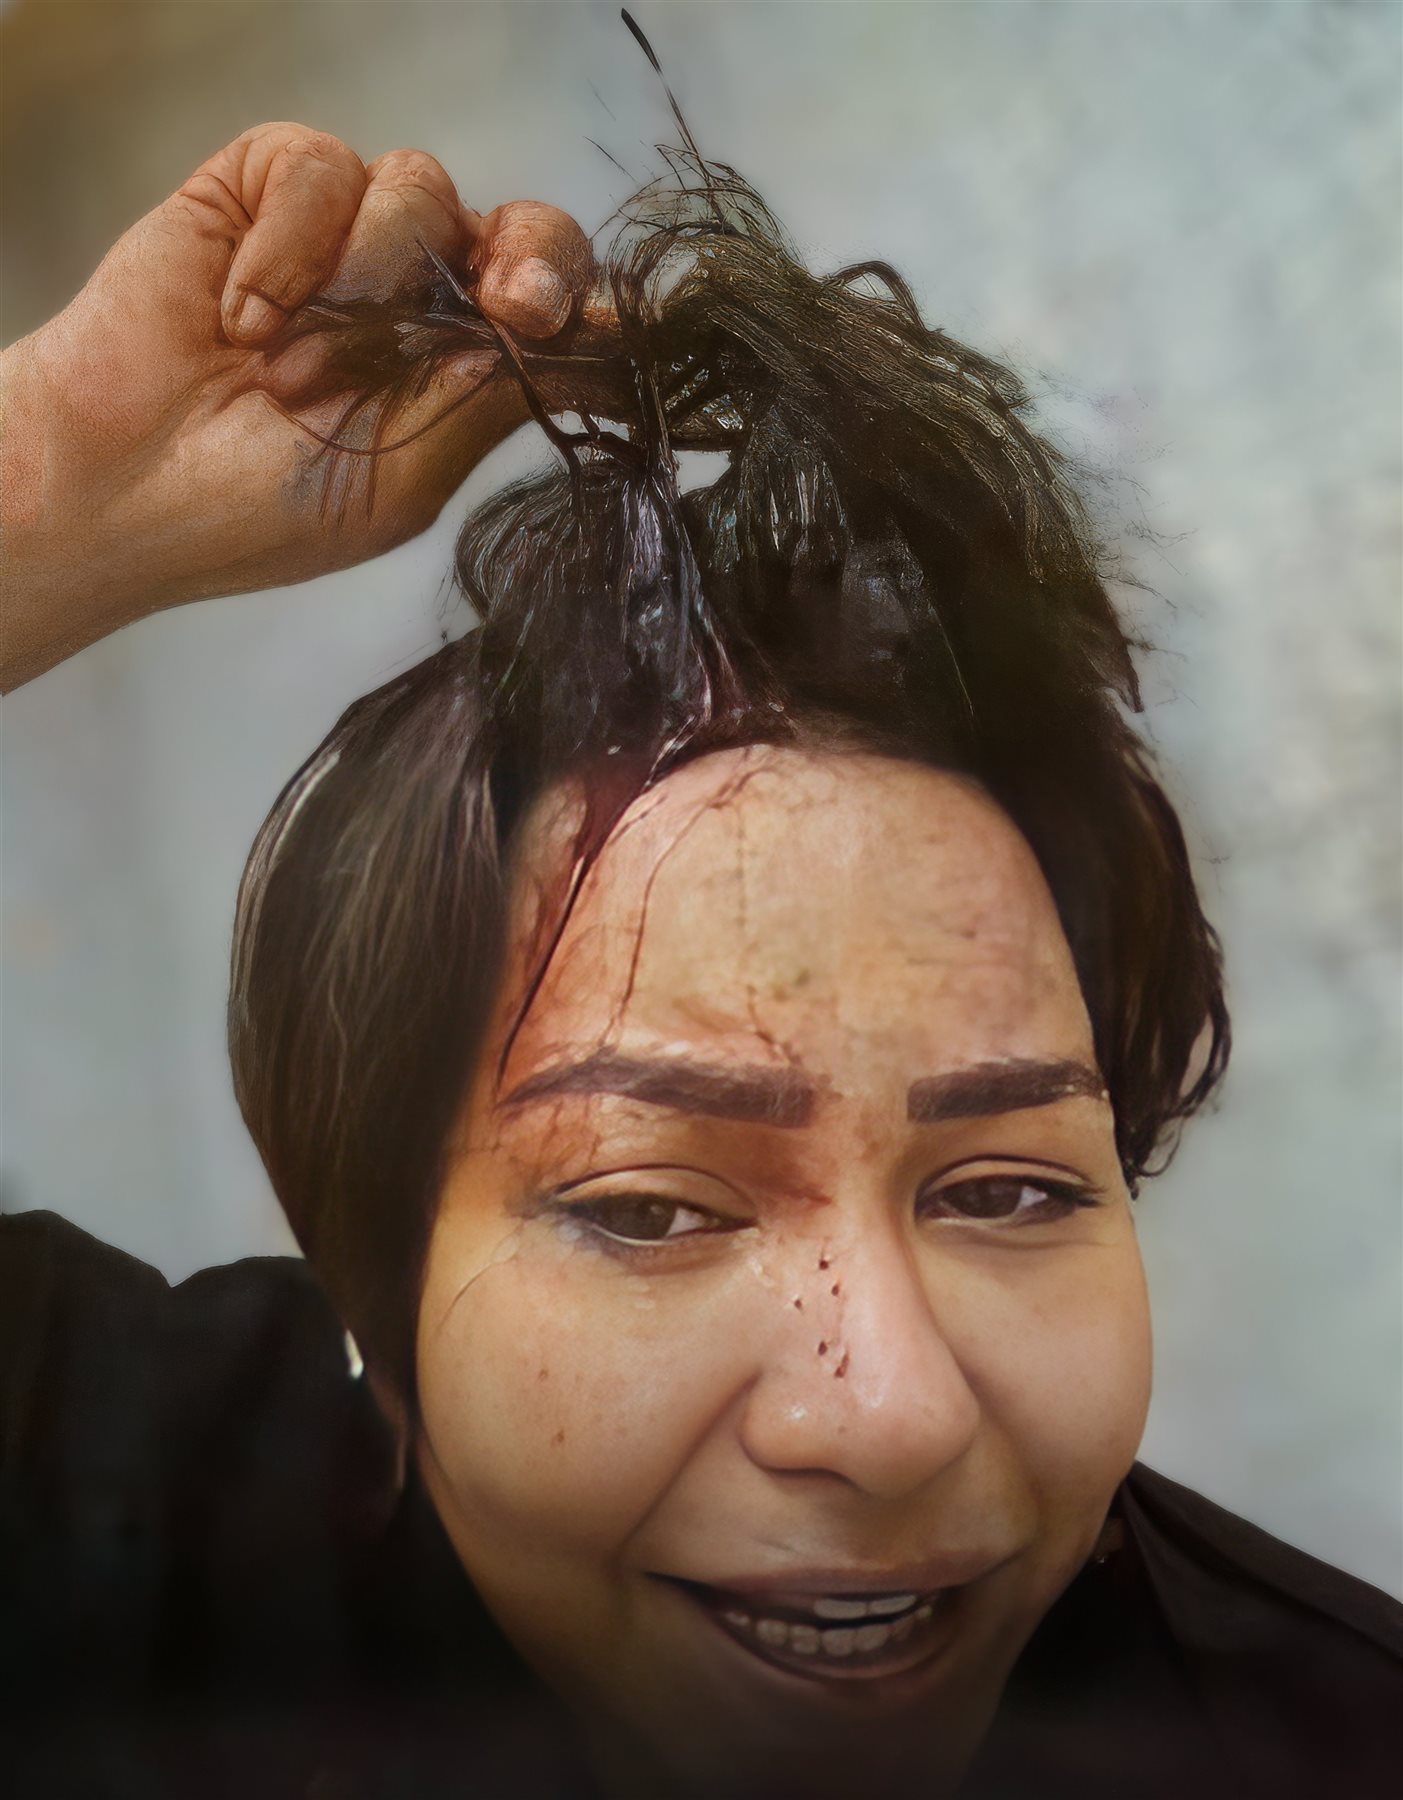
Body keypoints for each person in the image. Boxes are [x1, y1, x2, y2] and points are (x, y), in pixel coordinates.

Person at [1, 120, 1398, 1800]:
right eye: (653, 1209)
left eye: (1010, 1191)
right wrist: (53, 478)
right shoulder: (119, 1564)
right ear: (372, 1278)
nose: (893, 1417)